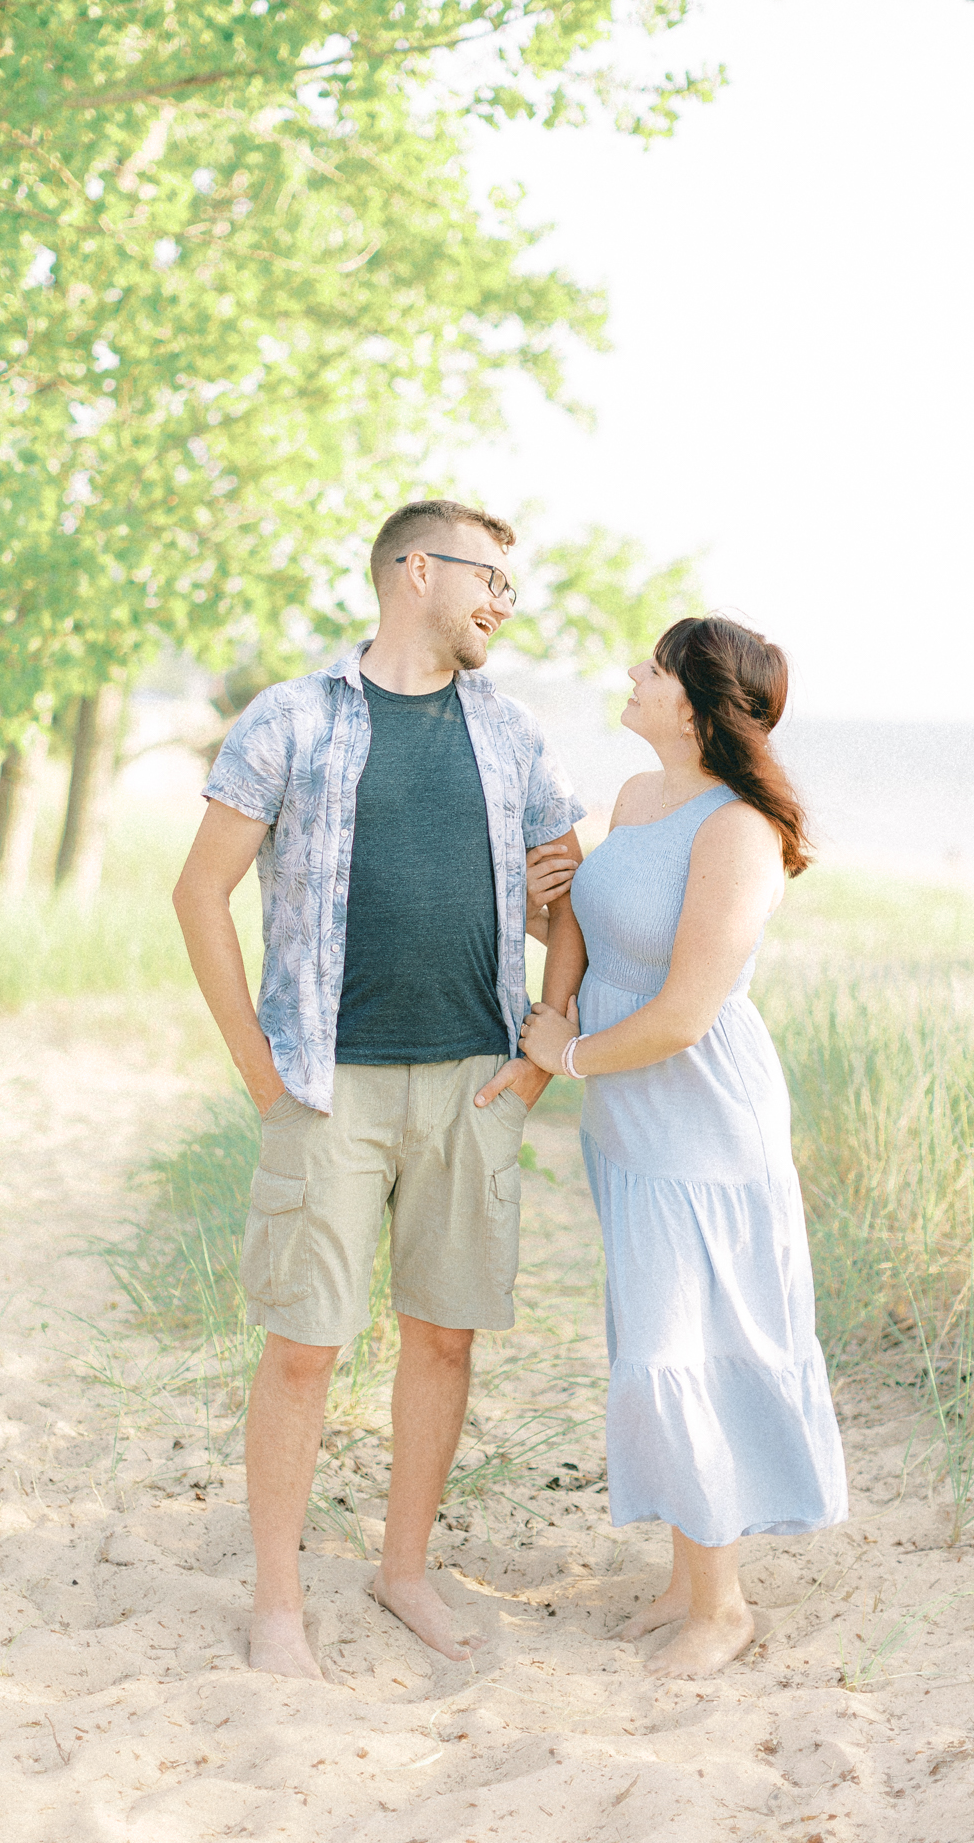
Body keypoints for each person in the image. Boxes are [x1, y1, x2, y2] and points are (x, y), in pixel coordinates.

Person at [172, 498, 585, 1681]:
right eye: (489, 577)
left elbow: (570, 897)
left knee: (443, 1338)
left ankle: (403, 1569)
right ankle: (278, 1599)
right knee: (305, 1344)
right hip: (327, 1083)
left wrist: (540, 1053)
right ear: (415, 571)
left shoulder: (514, 732)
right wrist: (259, 1064)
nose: (504, 599)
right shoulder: (292, 719)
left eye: (512, 582)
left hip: (474, 1083)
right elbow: (201, 894)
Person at [520, 615, 847, 1679]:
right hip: (626, 1116)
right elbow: (596, 925)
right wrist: (547, 933)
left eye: (653, 667)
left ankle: (724, 1606)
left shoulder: (738, 830)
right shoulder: (637, 798)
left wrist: (564, 1057)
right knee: (653, 1345)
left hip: (701, 1119)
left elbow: (685, 1011)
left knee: (683, 1345)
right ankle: (684, 1574)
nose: (631, 674)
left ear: (700, 701)